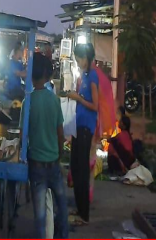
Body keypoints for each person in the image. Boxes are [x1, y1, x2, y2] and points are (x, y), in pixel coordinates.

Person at [27, 52, 68, 239]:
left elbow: (23, 134)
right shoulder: (54, 99)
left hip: (36, 165)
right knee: (62, 208)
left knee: (41, 216)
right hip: (53, 163)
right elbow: (60, 134)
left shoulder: (28, 101)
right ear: (46, 75)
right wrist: (59, 154)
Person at [65, 43, 99, 227]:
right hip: (79, 127)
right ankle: (79, 208)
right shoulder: (85, 76)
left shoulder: (93, 76)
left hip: (86, 129)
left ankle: (84, 215)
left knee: (82, 171)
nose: (78, 61)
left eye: (79, 58)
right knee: (76, 168)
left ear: (87, 57)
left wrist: (78, 98)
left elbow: (95, 105)